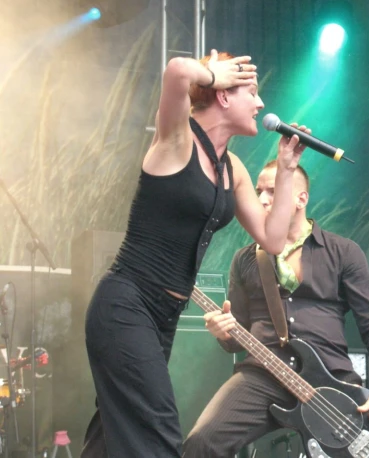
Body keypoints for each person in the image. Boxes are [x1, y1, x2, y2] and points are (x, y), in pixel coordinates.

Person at [82, 50, 310, 458]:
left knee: (110, 439)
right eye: (252, 94)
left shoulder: (233, 168)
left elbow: (273, 239)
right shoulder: (176, 138)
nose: (260, 105)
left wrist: (288, 169)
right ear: (223, 95)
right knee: (158, 433)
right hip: (125, 305)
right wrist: (212, 72)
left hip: (161, 319)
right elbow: (175, 70)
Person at [182, 160, 369, 457]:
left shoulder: (343, 252)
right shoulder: (246, 259)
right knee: (201, 443)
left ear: (301, 198)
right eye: (258, 191)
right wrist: (222, 332)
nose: (261, 199)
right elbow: (236, 336)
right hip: (263, 375)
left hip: (330, 381)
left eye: (272, 190)